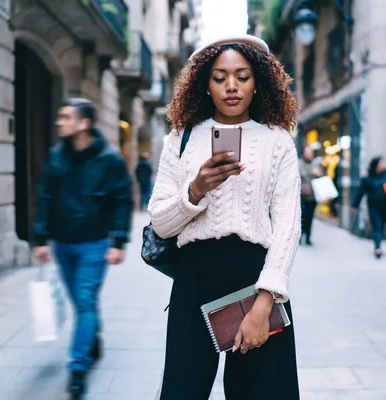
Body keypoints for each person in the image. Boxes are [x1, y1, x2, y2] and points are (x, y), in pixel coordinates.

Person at [148, 34, 301, 400]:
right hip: (194, 281)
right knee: (181, 392)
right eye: (219, 77)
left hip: (256, 281)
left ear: (257, 82)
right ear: (205, 84)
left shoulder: (277, 140)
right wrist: (195, 190)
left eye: (242, 76)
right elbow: (160, 224)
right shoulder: (180, 139)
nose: (231, 86)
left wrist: (265, 303)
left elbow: (287, 227)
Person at [32, 98, 133, 398]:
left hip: (95, 243)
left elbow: (122, 201)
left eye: (66, 117)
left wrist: (118, 242)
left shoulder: (110, 159)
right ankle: (92, 336)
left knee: (85, 299)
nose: (59, 122)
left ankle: (78, 366)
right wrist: (41, 238)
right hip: (63, 244)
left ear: (84, 123)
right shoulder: (56, 156)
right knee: (80, 300)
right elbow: (46, 197)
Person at [351, 156, 386, 259]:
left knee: (381, 226)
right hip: (373, 207)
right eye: (381, 163)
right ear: (376, 165)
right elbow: (360, 192)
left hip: (385, 206)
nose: (384, 165)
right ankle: (378, 248)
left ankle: (378, 244)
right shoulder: (367, 179)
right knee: (377, 226)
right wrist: (354, 205)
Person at [299, 145, 322, 245]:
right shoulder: (299, 163)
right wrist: (311, 172)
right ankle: (299, 237)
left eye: (310, 153)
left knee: (310, 217)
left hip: (313, 195)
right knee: (302, 217)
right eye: (307, 153)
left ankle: (308, 237)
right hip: (302, 195)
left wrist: (319, 173)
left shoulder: (315, 163)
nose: (309, 155)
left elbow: (321, 175)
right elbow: (300, 174)